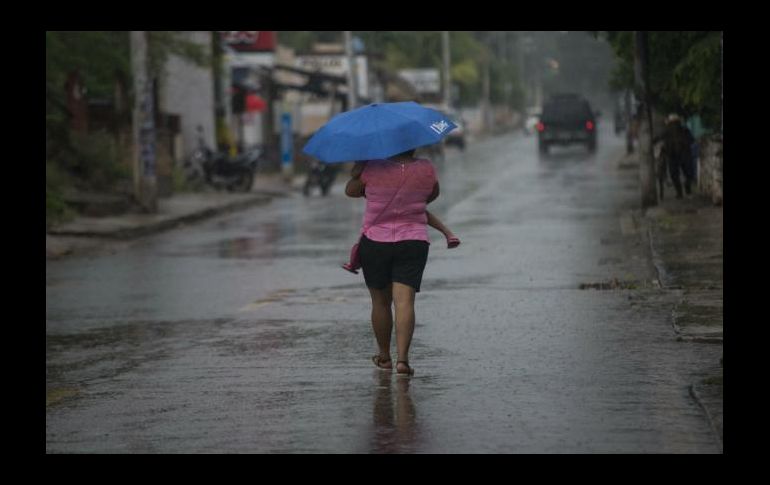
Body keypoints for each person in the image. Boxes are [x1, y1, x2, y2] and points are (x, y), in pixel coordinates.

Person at [344, 149, 455, 377]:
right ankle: (403, 360)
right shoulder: (426, 168)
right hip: (413, 241)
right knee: (405, 302)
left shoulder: (372, 167)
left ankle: (384, 356)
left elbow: (351, 191)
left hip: (375, 243)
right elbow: (430, 196)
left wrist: (360, 168)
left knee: (380, 303)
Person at [657, 113, 695, 199]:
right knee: (680, 175)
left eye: (675, 123)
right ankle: (682, 192)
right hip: (674, 155)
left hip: (680, 155)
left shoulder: (683, 130)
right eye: (672, 123)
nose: (674, 125)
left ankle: (682, 191)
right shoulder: (672, 131)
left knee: (683, 175)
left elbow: (691, 140)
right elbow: (692, 140)